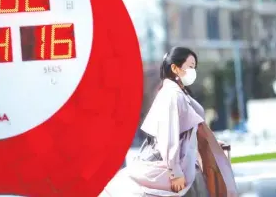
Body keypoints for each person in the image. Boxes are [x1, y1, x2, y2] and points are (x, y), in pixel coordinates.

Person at [100, 47, 235, 196]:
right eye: (190, 66)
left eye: (194, 67)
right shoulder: (172, 95)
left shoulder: (178, 93)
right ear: (175, 68)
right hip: (174, 172)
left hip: (184, 166)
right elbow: (168, 135)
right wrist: (175, 171)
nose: (193, 71)